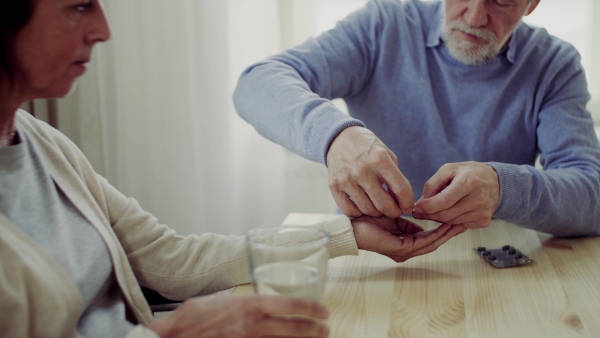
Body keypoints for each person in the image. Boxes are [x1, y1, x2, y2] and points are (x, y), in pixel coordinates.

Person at [0, 0, 467, 337]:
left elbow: (171, 261)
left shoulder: (45, 145)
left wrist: (351, 235)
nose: (103, 29)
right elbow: (260, 81)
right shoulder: (383, 23)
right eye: (78, 7)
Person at [233, 0, 600, 237]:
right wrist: (335, 136)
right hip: (368, 252)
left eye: (501, 0)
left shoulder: (555, 65)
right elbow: (256, 83)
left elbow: (592, 195)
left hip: (495, 268)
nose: (474, 17)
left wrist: (503, 188)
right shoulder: (382, 27)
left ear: (532, 4)